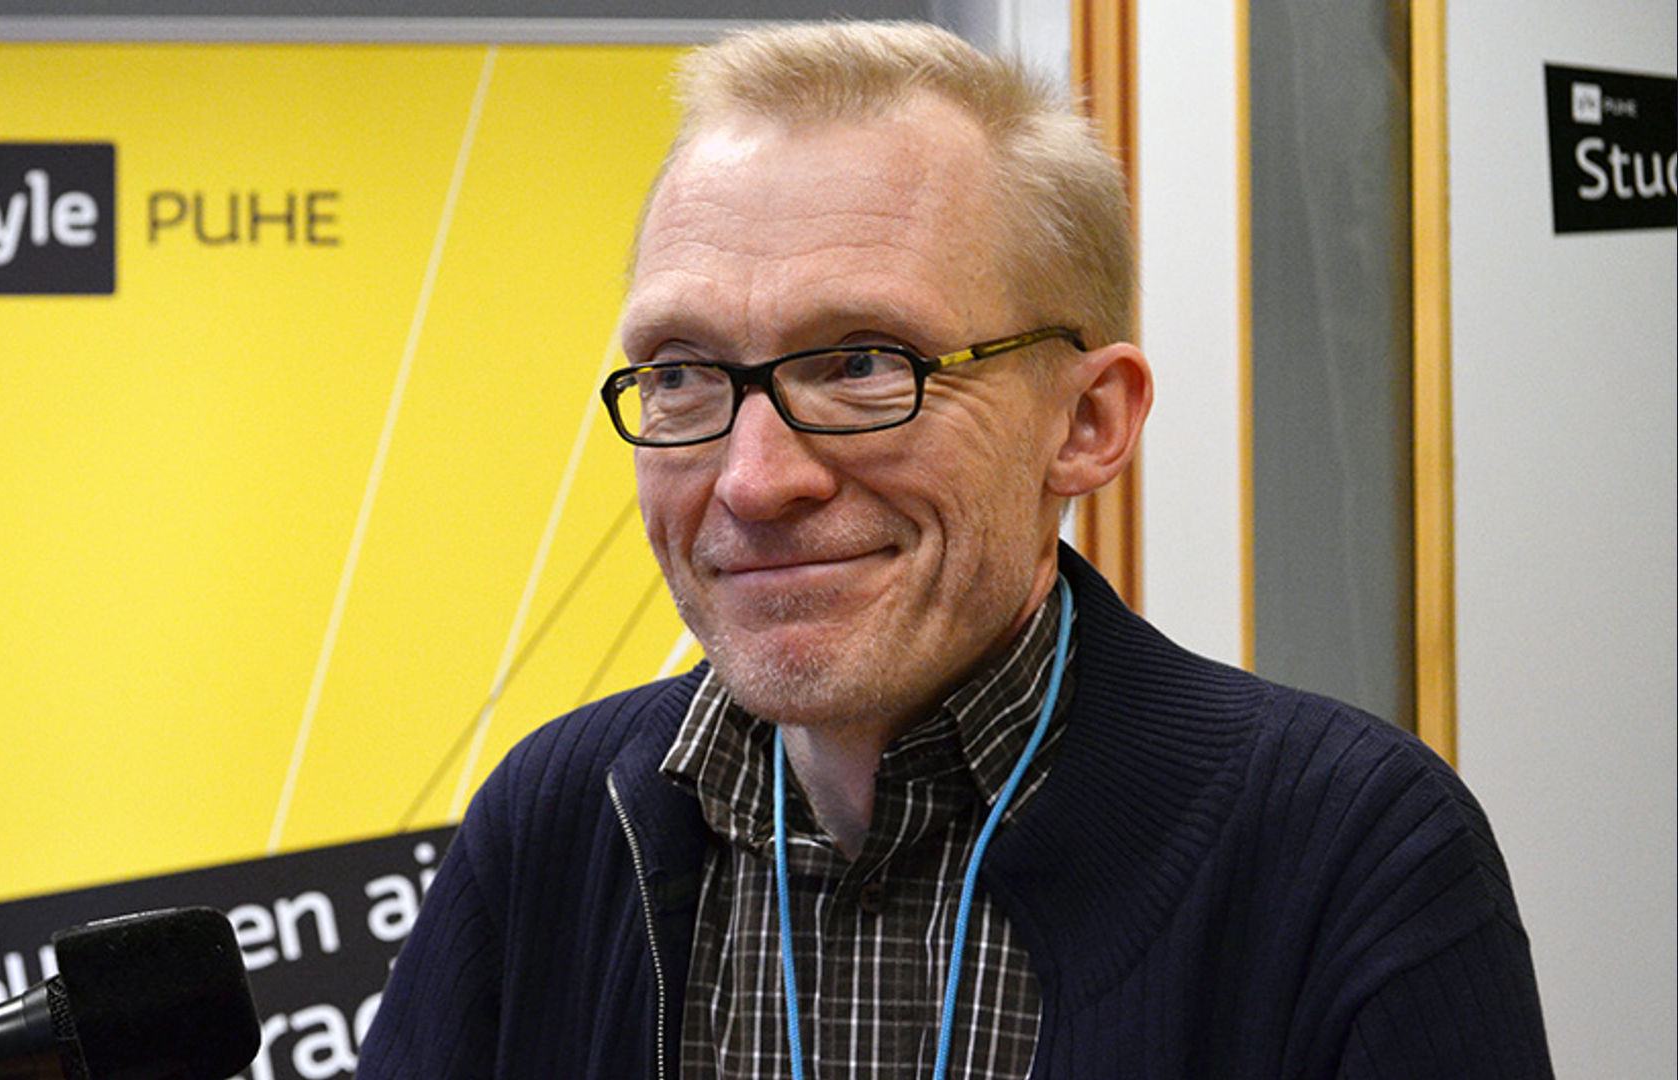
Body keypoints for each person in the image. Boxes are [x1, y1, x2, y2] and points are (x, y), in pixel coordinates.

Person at [357, 21, 1552, 1079]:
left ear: (1087, 423)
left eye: (863, 363)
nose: (754, 480)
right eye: (681, 375)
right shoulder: (558, 826)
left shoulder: (1349, 855)